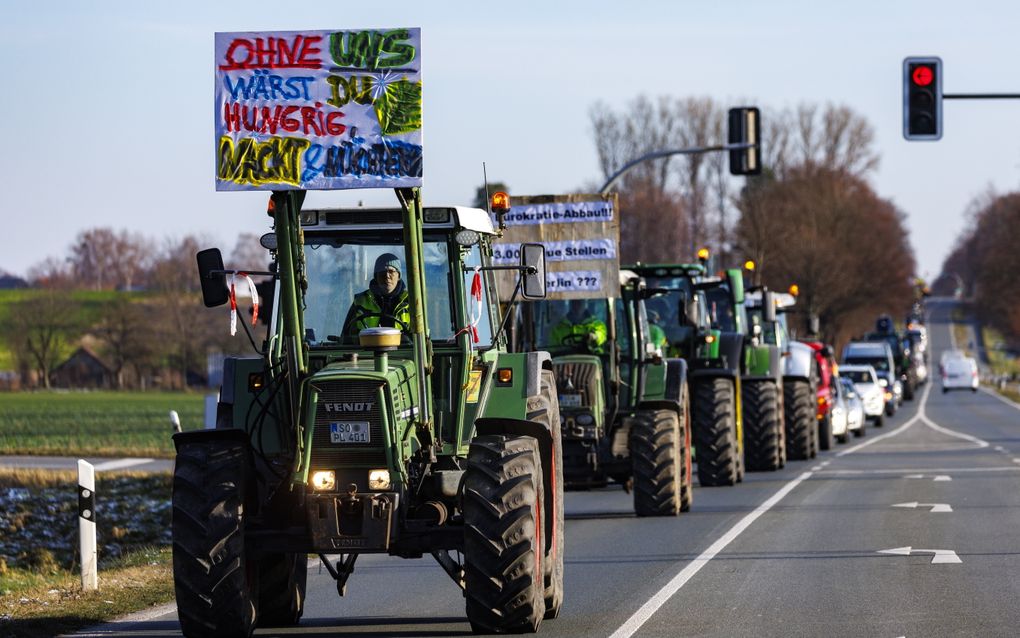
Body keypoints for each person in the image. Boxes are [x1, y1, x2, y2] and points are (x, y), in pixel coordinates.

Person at [343, 252, 410, 336]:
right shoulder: (360, 301)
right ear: (376, 276)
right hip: (367, 348)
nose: (387, 276)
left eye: (391, 271)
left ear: (398, 276)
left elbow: (420, 337)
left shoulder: (411, 302)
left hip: (405, 349)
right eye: (382, 272)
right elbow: (347, 338)